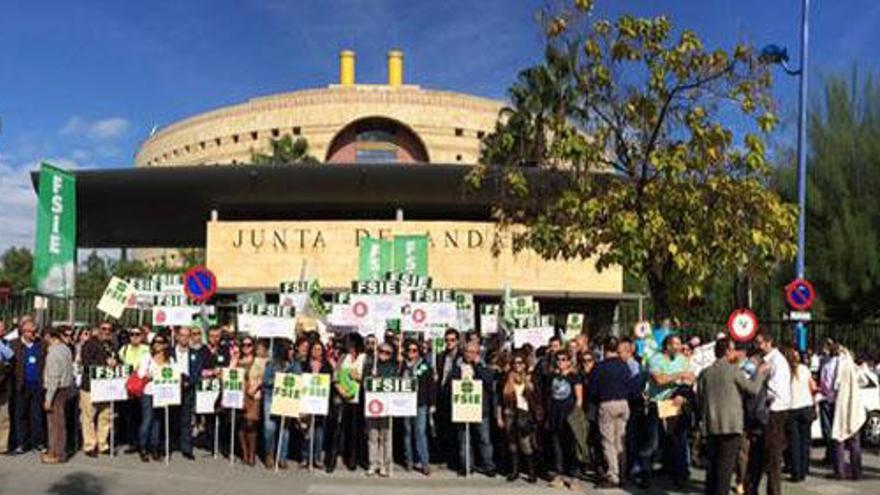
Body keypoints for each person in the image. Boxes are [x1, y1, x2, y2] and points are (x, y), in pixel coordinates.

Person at [697, 337, 767, 495]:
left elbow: (700, 398)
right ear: (728, 351)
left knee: (712, 467)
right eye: (733, 349)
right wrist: (760, 374)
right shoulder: (733, 370)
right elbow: (753, 389)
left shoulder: (705, 373)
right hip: (731, 425)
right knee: (725, 468)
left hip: (711, 425)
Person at [641, 334, 694, 487]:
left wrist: (682, 393)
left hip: (675, 403)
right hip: (657, 403)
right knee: (653, 441)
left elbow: (690, 378)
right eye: (675, 344)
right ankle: (645, 473)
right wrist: (679, 375)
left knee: (678, 440)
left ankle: (679, 474)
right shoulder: (655, 359)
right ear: (667, 346)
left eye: (679, 344)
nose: (678, 348)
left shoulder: (682, 359)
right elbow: (659, 379)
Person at [589, 337, 637, 489]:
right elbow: (631, 385)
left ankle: (613, 475)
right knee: (620, 440)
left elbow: (593, 389)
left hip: (607, 403)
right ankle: (623, 473)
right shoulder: (624, 366)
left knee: (608, 441)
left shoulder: (600, 367)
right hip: (623, 403)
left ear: (604, 349)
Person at [754, 332, 790, 495]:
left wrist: (759, 376)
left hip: (774, 411)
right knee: (767, 453)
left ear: (769, 342)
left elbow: (774, 390)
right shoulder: (772, 360)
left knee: (773, 454)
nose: (758, 346)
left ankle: (774, 491)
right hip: (773, 410)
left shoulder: (776, 361)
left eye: (760, 343)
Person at [496, 350, 540, 483]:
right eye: (515, 363)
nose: (517, 365)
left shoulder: (530, 378)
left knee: (526, 443)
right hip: (510, 413)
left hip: (525, 413)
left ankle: (531, 472)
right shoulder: (506, 378)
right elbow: (499, 399)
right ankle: (514, 471)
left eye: (520, 363)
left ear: (525, 364)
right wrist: (499, 416)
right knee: (512, 444)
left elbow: (537, 398)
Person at [79, 322, 118, 457]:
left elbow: (117, 361)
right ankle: (90, 445)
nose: (107, 331)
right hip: (90, 386)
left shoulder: (112, 345)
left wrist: (116, 363)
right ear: (97, 330)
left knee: (105, 415)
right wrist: (104, 364)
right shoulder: (89, 344)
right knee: (89, 416)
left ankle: (103, 443)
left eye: (109, 329)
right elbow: (86, 363)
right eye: (104, 329)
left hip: (106, 386)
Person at [137, 333, 175, 462]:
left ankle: (155, 447)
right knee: (147, 419)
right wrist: (153, 374)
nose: (158, 344)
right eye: (155, 342)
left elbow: (175, 372)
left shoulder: (169, 358)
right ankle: (143, 447)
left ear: (165, 344)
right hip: (148, 392)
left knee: (157, 422)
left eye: (161, 342)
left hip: (162, 393)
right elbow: (141, 374)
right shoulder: (146, 357)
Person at [330, 333, 366, 472]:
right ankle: (331, 460)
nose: (349, 346)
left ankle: (353, 459)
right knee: (338, 429)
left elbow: (369, 378)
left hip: (358, 398)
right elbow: (335, 375)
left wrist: (359, 377)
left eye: (350, 343)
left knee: (355, 430)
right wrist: (340, 389)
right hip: (342, 398)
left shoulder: (365, 358)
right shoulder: (343, 357)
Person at [10, 318, 45, 454]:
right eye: (30, 332)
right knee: (21, 414)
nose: (33, 334)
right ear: (23, 332)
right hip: (21, 384)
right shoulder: (14, 345)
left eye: (35, 331)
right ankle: (21, 443)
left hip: (37, 384)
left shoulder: (41, 345)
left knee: (36, 415)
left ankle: (37, 442)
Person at [401, 339, 435, 476]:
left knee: (420, 432)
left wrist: (432, 404)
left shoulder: (425, 366)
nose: (411, 353)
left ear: (419, 352)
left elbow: (431, 386)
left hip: (420, 403)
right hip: (404, 402)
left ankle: (424, 462)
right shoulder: (402, 365)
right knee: (407, 432)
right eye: (409, 350)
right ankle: (409, 460)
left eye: (414, 350)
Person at [830, 346, 865, 480]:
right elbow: (864, 380)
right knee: (854, 439)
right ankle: (856, 471)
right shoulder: (853, 367)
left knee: (840, 438)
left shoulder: (839, 364)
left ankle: (840, 471)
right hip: (853, 405)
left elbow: (835, 385)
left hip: (841, 404)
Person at [42, 328, 74, 464]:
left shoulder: (53, 354)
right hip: (65, 388)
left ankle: (56, 453)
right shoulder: (66, 349)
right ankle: (57, 450)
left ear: (50, 337)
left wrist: (48, 399)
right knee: (60, 423)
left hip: (56, 391)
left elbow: (54, 378)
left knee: (55, 424)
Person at [172, 326, 204, 460]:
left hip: (187, 388)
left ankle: (186, 448)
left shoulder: (195, 354)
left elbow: (197, 372)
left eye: (187, 335)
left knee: (186, 419)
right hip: (171, 389)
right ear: (177, 336)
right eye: (182, 335)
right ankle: (171, 444)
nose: (184, 338)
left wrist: (188, 382)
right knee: (172, 418)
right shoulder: (169, 352)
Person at [366, 342, 397, 477]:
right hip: (373, 405)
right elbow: (364, 383)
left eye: (387, 352)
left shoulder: (394, 367)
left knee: (386, 436)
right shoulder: (371, 365)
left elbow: (397, 384)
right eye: (381, 351)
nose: (384, 354)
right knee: (373, 435)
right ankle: (373, 463)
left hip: (388, 405)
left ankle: (385, 464)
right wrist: (371, 377)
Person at [301, 340, 332, 469]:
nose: (316, 352)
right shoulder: (304, 365)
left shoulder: (326, 366)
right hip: (306, 400)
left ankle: (317, 457)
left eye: (319, 349)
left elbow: (329, 381)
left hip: (320, 401)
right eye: (314, 349)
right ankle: (305, 457)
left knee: (319, 431)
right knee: (306, 430)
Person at [785, 347, 815, 482]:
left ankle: (796, 472)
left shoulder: (785, 372)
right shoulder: (804, 369)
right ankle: (804, 468)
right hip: (806, 406)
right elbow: (812, 387)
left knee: (794, 442)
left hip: (792, 408)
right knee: (805, 441)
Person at [119, 327, 150, 452]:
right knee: (129, 416)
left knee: (142, 416)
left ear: (142, 336)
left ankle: (143, 442)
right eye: (132, 334)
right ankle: (133, 442)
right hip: (130, 385)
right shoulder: (124, 349)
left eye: (137, 334)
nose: (134, 337)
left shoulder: (146, 349)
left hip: (143, 385)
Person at [262, 340, 292, 469]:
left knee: (284, 429)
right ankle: (269, 454)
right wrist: (275, 380)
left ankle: (282, 457)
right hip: (271, 397)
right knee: (270, 428)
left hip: (287, 397)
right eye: (289, 349)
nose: (291, 351)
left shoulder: (293, 365)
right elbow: (265, 381)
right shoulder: (271, 364)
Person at [435, 328, 461, 468]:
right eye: (447, 340)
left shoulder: (462, 356)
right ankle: (445, 457)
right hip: (443, 394)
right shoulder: (441, 356)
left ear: (457, 341)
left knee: (456, 429)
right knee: (444, 428)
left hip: (456, 395)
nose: (449, 343)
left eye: (452, 340)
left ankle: (456, 459)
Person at [238, 336, 264, 466]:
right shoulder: (238, 360)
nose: (246, 347)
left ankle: (252, 454)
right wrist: (234, 358)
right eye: (243, 345)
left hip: (253, 395)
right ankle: (245, 454)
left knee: (251, 423)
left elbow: (264, 376)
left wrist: (256, 386)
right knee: (242, 424)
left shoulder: (259, 361)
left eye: (249, 345)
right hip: (240, 395)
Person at [818, 338, 839, 466]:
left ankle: (834, 456)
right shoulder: (823, 361)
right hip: (824, 398)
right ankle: (829, 454)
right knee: (826, 429)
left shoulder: (837, 362)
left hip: (834, 398)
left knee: (833, 429)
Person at [0, 320, 15, 454]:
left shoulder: (5, 342)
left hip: (3, 382)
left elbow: (11, 357)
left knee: (4, 416)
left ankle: (3, 445)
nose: (4, 330)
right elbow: (10, 355)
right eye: (1, 328)